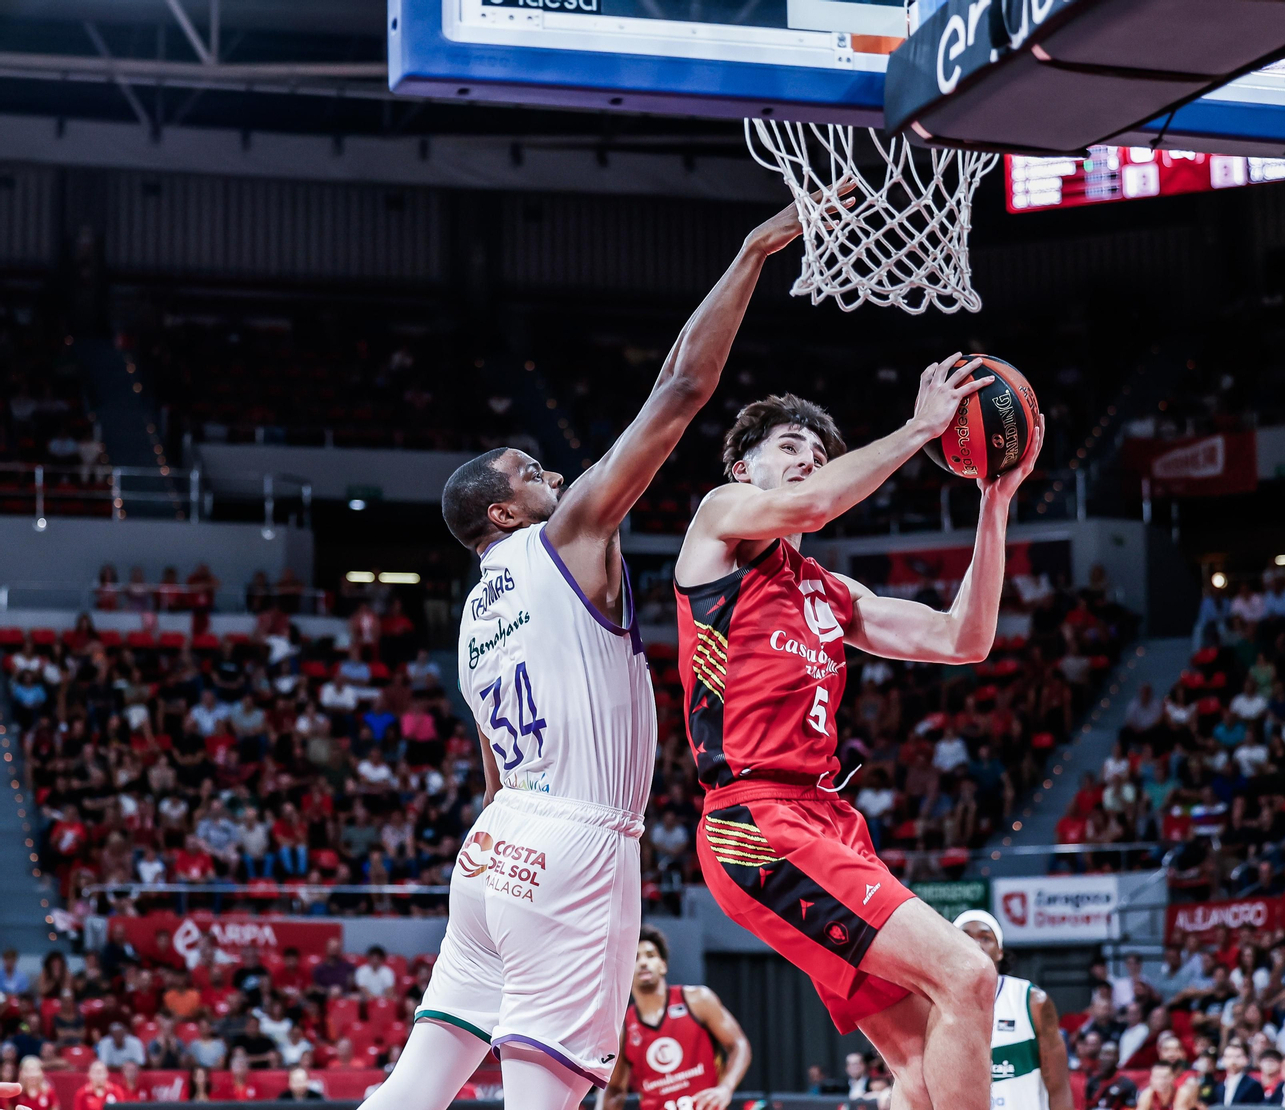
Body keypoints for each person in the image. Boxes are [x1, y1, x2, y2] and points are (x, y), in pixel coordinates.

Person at [361, 194, 822, 1110]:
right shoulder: (566, 537)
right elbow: (681, 392)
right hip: (577, 842)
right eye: (533, 474)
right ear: (503, 512)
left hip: (491, 850)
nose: (558, 477)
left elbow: (492, 776)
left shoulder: (468, 619)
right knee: (548, 1098)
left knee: (415, 1087)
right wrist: (753, 250)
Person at [674, 363, 1041, 1110]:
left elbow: (963, 638)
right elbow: (815, 499)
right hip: (755, 820)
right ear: (746, 467)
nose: (807, 457)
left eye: (818, 449)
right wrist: (918, 429)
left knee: (920, 1064)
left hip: (828, 821)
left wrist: (995, 502)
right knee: (969, 975)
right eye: (789, 445)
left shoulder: (832, 594)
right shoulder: (720, 520)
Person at [601, 925, 752, 1110]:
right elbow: (614, 1089)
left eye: (650, 955)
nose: (643, 963)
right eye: (635, 958)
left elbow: (739, 1044)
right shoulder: (623, 1027)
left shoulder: (697, 1000)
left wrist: (726, 1088)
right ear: (625, 971)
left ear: (663, 965)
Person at [955, 911, 1073, 1110]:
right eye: (965, 937)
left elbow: (1059, 1088)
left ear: (999, 951)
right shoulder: (931, 1004)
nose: (975, 944)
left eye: (985, 938)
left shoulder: (1031, 1001)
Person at [1212, 1041, 1263, 1106]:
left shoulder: (1253, 1085)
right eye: (1229, 1056)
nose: (1233, 1061)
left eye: (1238, 1056)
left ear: (1246, 1059)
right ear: (1223, 1060)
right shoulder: (1220, 1087)